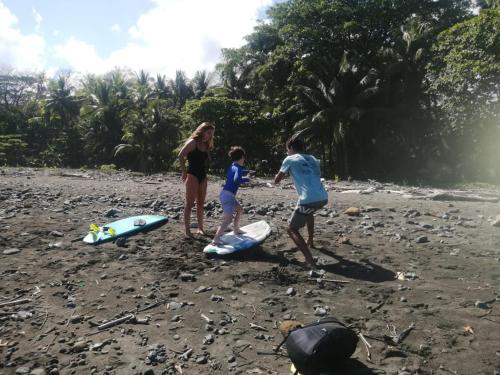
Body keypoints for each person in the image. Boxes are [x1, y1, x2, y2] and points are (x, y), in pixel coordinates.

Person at [274, 137, 328, 269]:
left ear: (291, 148)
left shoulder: (290, 159)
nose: (287, 153)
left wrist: (280, 173)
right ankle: (310, 240)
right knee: (309, 212)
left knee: (292, 229)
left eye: (287, 150)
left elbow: (277, 180)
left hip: (309, 198)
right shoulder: (313, 159)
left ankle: (310, 261)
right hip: (323, 196)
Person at [178, 122, 215, 238]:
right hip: (192, 175)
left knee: (200, 203)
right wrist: (184, 172)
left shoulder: (206, 145)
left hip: (203, 176)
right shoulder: (193, 142)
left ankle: (200, 228)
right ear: (202, 131)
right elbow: (181, 155)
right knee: (189, 204)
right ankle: (187, 231)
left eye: (212, 134)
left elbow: (204, 160)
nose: (210, 135)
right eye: (208, 132)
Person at [211, 146, 250, 245]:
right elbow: (237, 179)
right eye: (244, 158)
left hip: (227, 195)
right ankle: (216, 239)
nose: (244, 159)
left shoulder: (232, 166)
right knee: (228, 219)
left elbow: (237, 173)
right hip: (228, 196)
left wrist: (247, 174)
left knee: (240, 209)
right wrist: (247, 179)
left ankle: (236, 229)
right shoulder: (238, 168)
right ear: (241, 157)